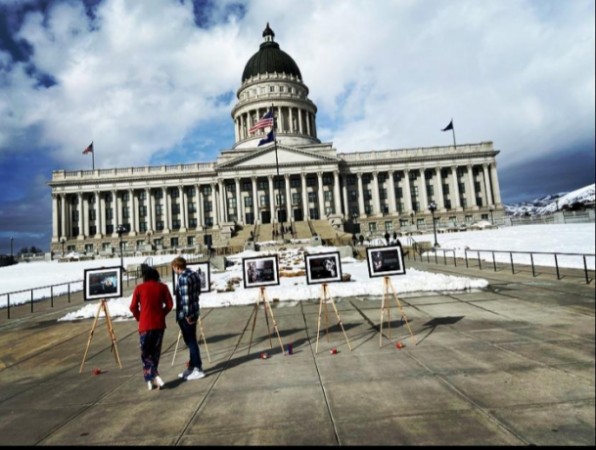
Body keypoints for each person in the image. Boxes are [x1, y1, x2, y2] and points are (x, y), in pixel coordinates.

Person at [129, 267, 173, 391]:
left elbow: (132, 307)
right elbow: (169, 305)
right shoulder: (163, 287)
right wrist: (162, 313)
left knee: (145, 353)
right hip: (159, 325)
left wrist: (139, 317)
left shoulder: (139, 288)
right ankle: (152, 377)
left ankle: (152, 377)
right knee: (155, 352)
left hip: (145, 325)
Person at [171, 256, 205, 381]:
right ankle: (192, 366)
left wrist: (187, 315)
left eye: (174, 268)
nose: (174, 270)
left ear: (177, 267)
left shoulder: (183, 278)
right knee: (191, 340)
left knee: (191, 341)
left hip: (186, 314)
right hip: (194, 310)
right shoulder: (194, 274)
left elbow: (185, 299)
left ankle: (197, 367)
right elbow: (198, 292)